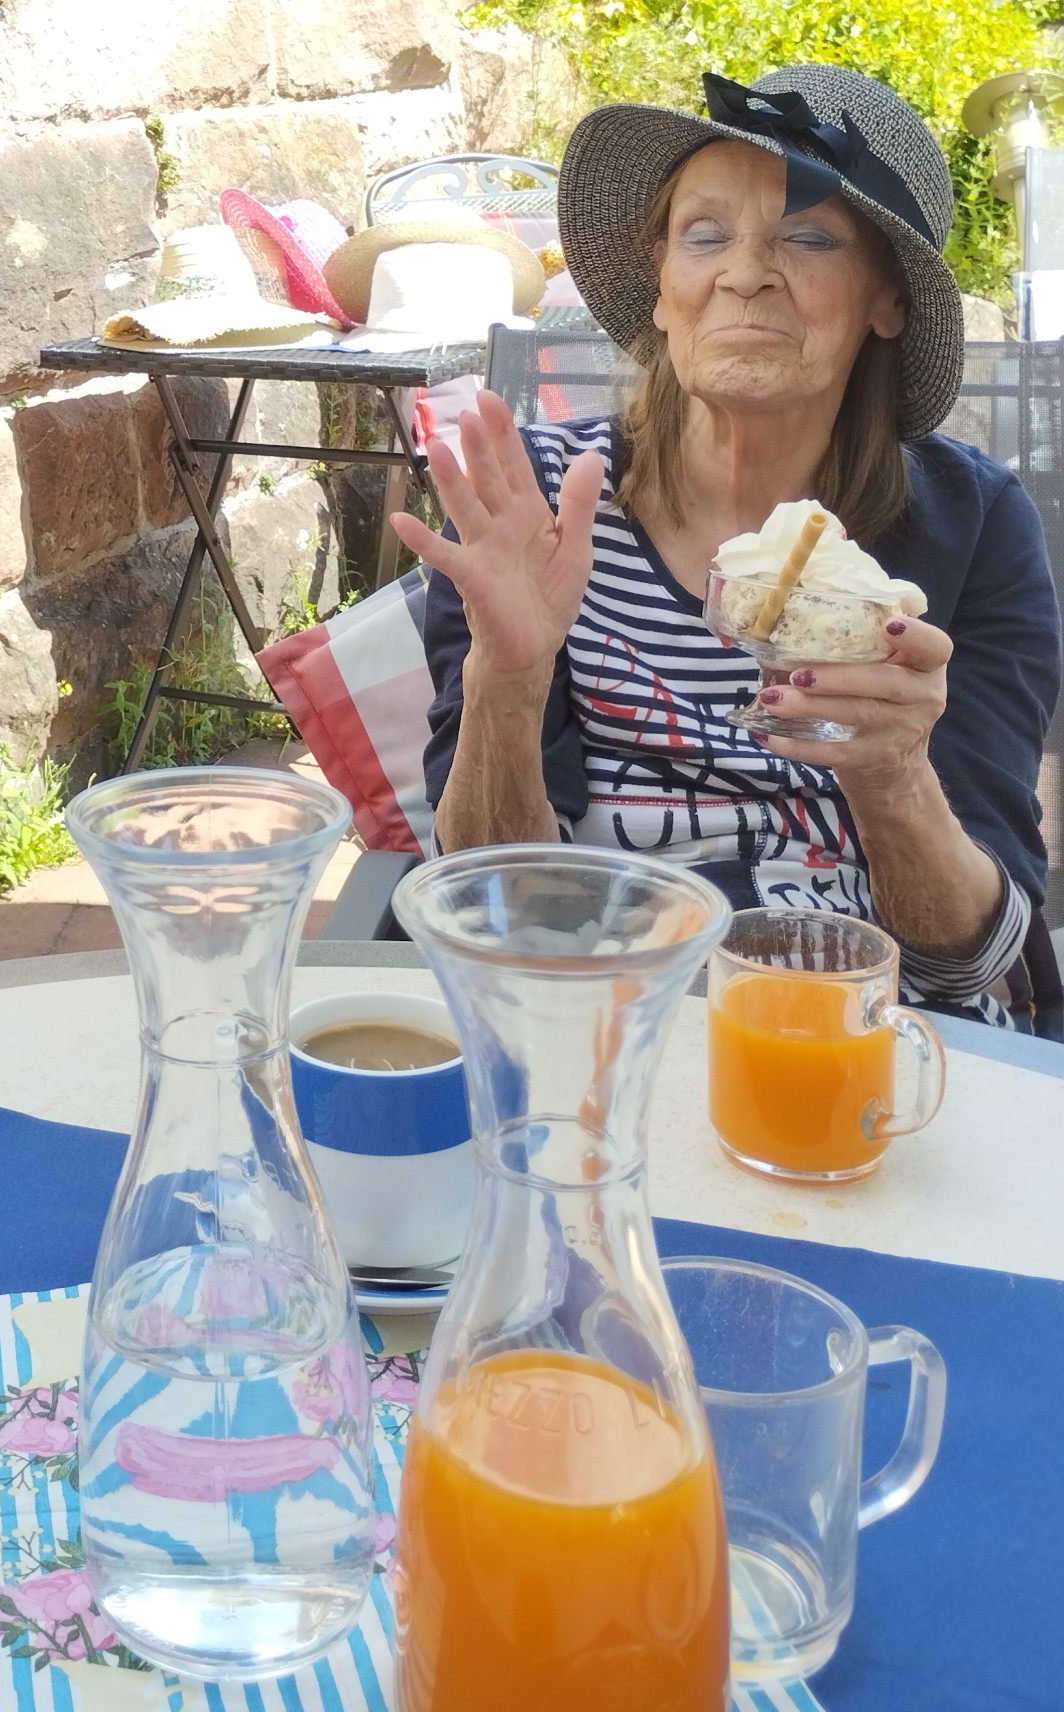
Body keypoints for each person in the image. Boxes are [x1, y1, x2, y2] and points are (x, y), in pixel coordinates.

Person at [396, 65, 1062, 1025]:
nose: (744, 271)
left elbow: (967, 963)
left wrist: (892, 774)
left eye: (809, 236)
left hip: (873, 1034)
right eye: (704, 236)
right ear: (662, 291)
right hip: (595, 1000)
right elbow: (490, 905)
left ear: (888, 303)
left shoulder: (971, 530)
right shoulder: (538, 508)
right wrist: (508, 677)